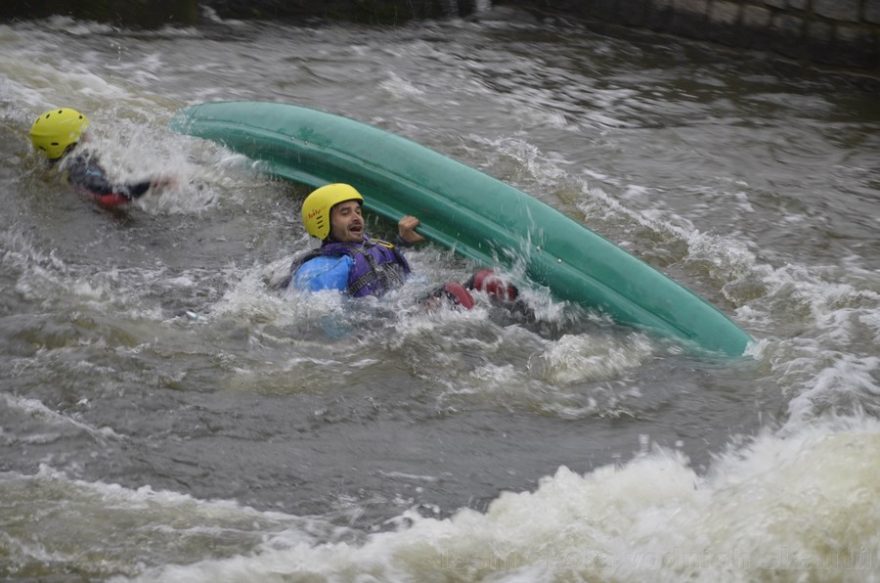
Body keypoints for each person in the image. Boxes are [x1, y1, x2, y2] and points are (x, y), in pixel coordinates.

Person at [289, 183, 524, 310]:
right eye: (345, 213)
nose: (356, 217)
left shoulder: (371, 246)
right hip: (386, 321)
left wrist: (401, 241)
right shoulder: (319, 270)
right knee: (451, 293)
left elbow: (381, 269)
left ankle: (533, 328)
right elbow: (322, 313)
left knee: (486, 280)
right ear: (322, 222)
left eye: (358, 211)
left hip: (407, 301)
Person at [29, 107, 173, 209]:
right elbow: (108, 195)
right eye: (84, 134)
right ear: (71, 143)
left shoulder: (61, 164)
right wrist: (150, 183)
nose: (90, 136)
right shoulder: (82, 165)